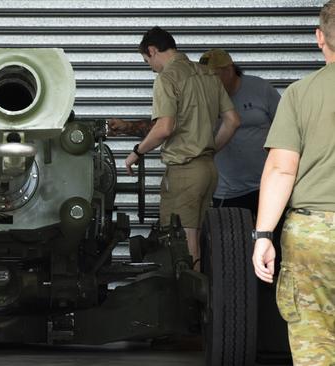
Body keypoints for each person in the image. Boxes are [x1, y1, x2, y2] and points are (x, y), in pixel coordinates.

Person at [108, 27, 240, 268]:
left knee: (185, 246)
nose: (150, 67)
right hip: (208, 171)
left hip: (184, 173)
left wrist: (136, 153)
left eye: (147, 61)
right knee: (198, 239)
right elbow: (232, 121)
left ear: (152, 50)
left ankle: (192, 303)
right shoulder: (207, 74)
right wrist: (208, 149)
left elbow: (164, 127)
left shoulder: (167, 78)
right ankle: (205, 299)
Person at [252, 1, 335, 364]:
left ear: (319, 37)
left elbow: (281, 170)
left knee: (315, 343)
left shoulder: (301, 94)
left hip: (313, 236)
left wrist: (263, 236)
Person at [199, 49, 281, 217]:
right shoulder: (203, 97)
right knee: (230, 241)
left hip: (267, 184)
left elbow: (285, 126)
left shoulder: (260, 88)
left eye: (212, 76)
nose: (207, 82)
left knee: (273, 240)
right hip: (228, 191)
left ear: (229, 70)